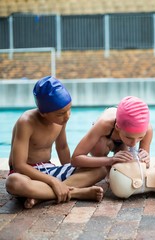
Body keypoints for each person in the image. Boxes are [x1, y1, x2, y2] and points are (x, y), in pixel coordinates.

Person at [6, 76, 107, 209]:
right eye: (60, 114)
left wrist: (70, 171)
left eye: (69, 109)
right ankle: (75, 192)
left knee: (100, 169)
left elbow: (63, 147)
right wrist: (54, 181)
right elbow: (18, 165)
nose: (67, 116)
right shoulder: (26, 122)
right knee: (13, 183)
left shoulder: (61, 120)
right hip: (27, 173)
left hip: (48, 169)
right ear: (43, 113)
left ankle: (41, 196)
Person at [71, 96, 153, 170]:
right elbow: (75, 159)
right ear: (117, 127)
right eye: (129, 137)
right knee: (99, 146)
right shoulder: (104, 123)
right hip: (104, 141)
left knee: (126, 163)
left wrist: (146, 159)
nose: (133, 144)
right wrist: (110, 160)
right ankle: (106, 169)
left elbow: (145, 166)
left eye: (140, 137)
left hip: (121, 143)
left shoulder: (147, 129)